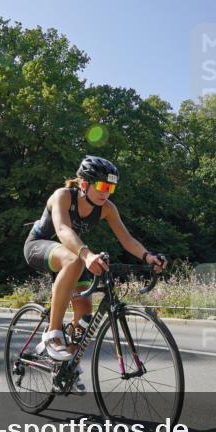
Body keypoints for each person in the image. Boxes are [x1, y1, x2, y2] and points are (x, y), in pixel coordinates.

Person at [23, 156, 166, 391]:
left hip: (72, 255)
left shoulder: (106, 208)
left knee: (84, 313)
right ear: (84, 184)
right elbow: (62, 229)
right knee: (74, 259)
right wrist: (87, 255)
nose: (106, 192)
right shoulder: (62, 196)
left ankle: (64, 369)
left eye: (111, 187)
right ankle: (53, 333)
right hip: (39, 246)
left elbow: (127, 239)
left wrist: (148, 256)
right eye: (101, 186)